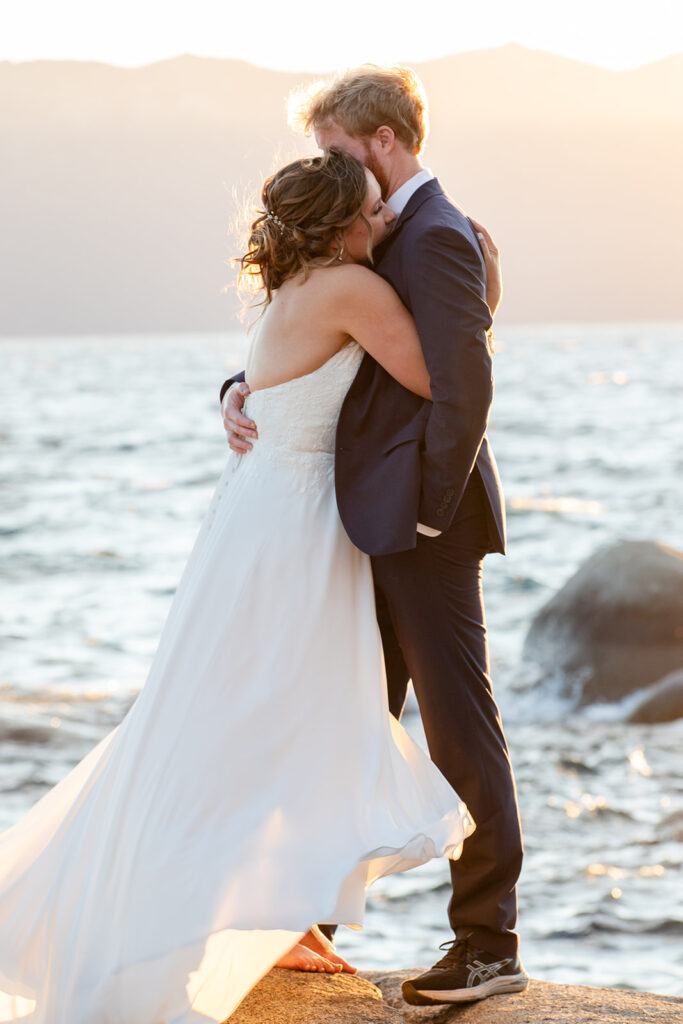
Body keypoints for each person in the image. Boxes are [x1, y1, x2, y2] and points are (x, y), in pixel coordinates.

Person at [0, 149, 477, 1024]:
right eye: (372, 211)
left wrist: (233, 389)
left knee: (247, 714)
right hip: (293, 528)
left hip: (256, 521)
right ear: (337, 225)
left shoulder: (292, 289)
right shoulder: (352, 288)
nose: (384, 222)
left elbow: (275, 384)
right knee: (271, 716)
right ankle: (223, 916)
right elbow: (439, 377)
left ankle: (276, 913)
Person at [221, 65, 528, 1006]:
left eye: (336, 152)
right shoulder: (378, 234)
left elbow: (461, 387)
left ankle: (486, 946)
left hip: (420, 526)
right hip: (368, 520)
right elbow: (310, 343)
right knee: (344, 715)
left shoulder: (435, 236)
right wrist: (235, 393)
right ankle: (301, 921)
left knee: (457, 731)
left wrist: (429, 511)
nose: (327, 170)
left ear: (382, 143)